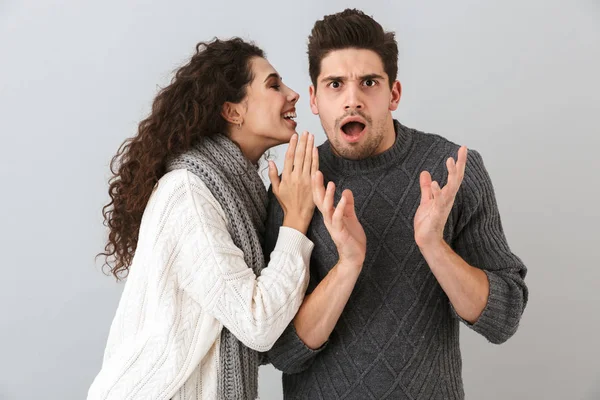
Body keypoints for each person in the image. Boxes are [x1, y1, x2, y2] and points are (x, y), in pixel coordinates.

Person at [265, 9, 529, 399]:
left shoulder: (454, 170)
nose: (352, 100)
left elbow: (503, 319)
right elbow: (280, 349)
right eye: (335, 84)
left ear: (394, 94)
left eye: (368, 82)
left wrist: (434, 247)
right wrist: (348, 264)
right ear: (314, 99)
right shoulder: (295, 186)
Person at [87, 37, 351, 400]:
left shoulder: (243, 196)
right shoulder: (189, 193)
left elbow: (265, 331)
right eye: (273, 85)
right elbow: (257, 323)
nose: (293, 94)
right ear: (232, 111)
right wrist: (296, 219)